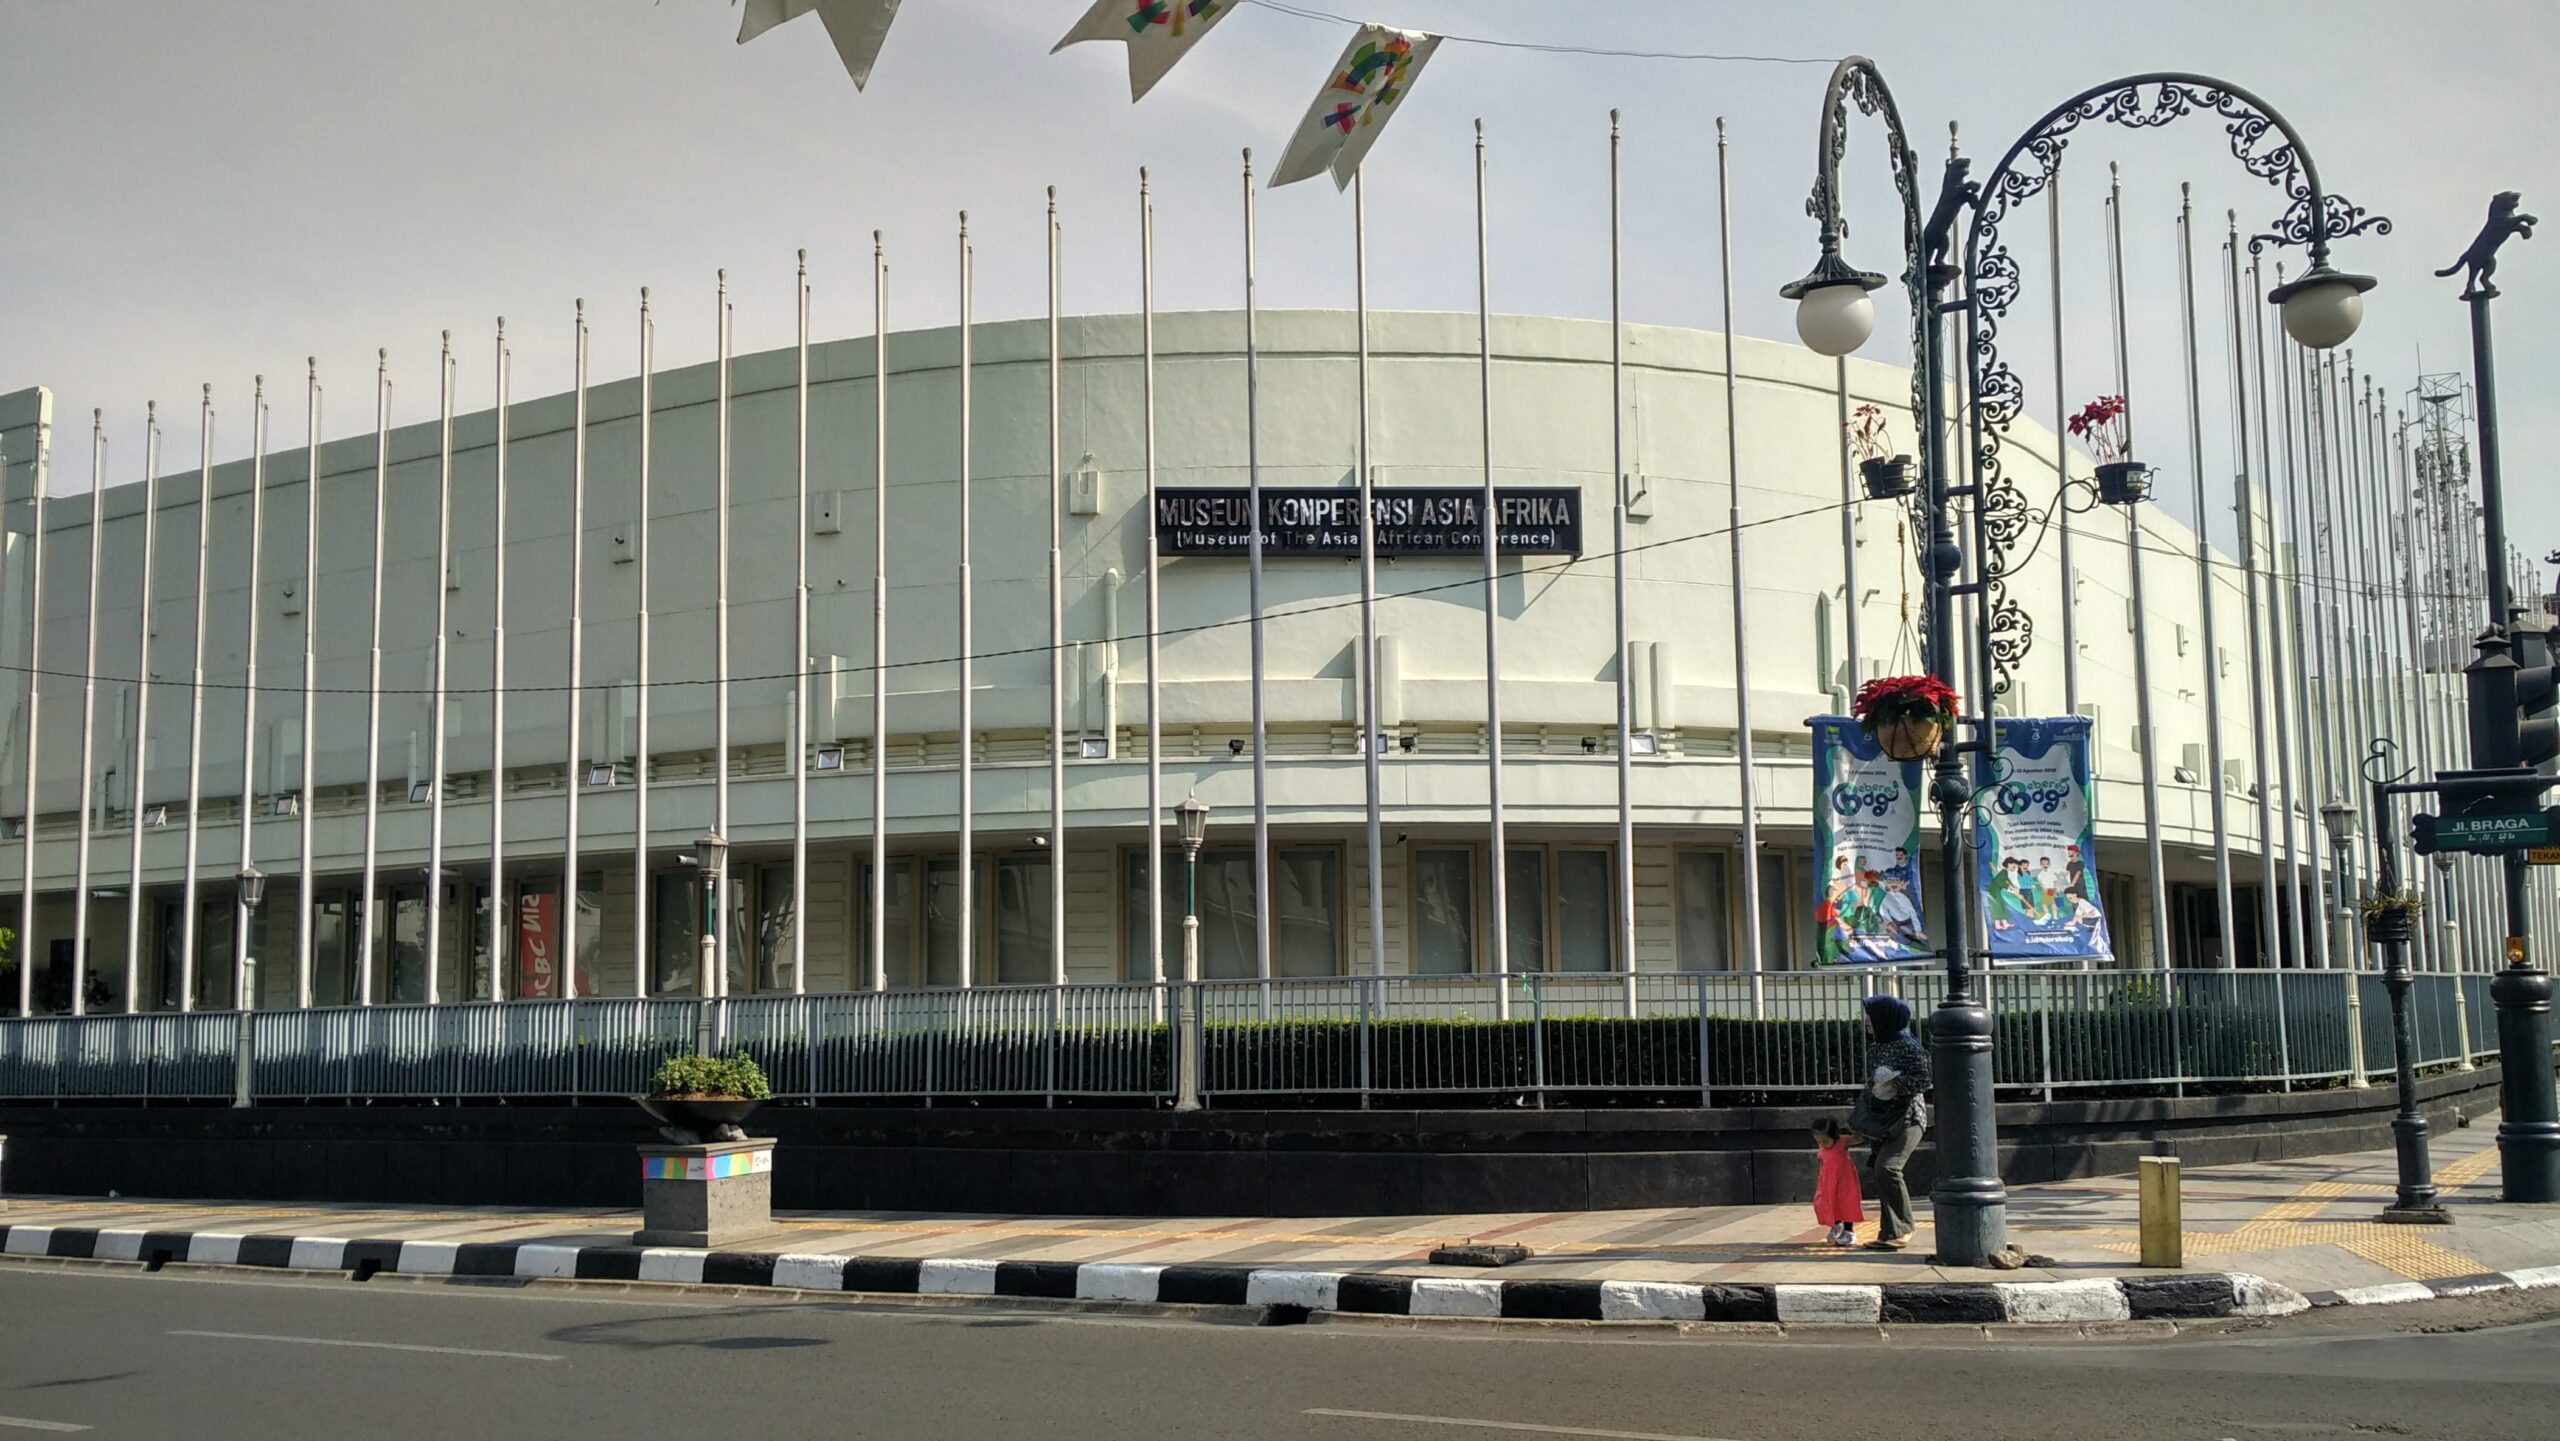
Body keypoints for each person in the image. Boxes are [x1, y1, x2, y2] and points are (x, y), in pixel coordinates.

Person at [1846, 993, 1931, 1252]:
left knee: (1888, 1168)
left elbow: (1923, 1079)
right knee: (1880, 1171)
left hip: (1907, 1118)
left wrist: (1896, 1084)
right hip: (1881, 1118)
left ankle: (1902, 1227)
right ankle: (1890, 1232)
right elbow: (1871, 1083)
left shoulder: (1909, 1046)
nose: (1867, 1022)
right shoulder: (1876, 1047)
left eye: (1871, 1017)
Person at [1812, 1116, 1864, 1247]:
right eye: (1819, 1142)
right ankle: (1836, 1224)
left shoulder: (1842, 1142)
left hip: (1844, 1180)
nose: (1822, 1144)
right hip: (1828, 1181)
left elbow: (1859, 1139)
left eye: (1825, 1141)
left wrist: (1855, 1129)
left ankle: (1849, 1231)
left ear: (1834, 1136)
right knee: (1826, 1202)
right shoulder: (1823, 1146)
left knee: (1845, 1203)